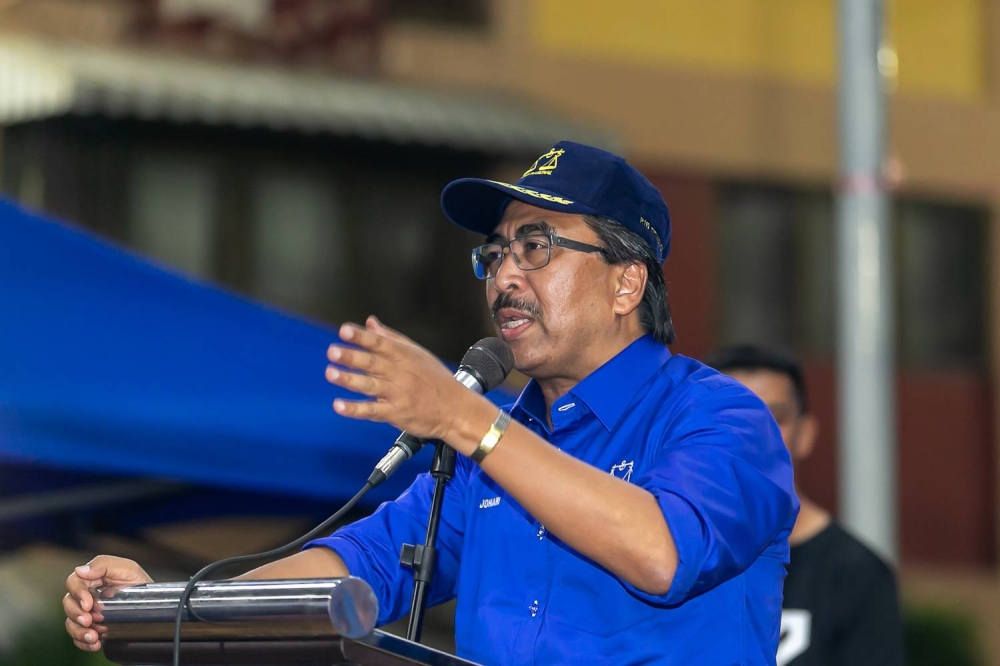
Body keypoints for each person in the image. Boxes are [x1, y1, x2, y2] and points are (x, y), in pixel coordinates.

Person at [65, 141, 798, 665]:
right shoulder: (487, 450)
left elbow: (661, 551)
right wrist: (167, 605)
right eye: (495, 253)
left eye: (536, 246)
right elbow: (359, 564)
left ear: (625, 283)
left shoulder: (721, 419)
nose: (505, 275)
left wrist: (461, 416)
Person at [704, 344, 904, 666]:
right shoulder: (663, 552)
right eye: (736, 416)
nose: (756, 433)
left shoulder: (857, 573)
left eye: (776, 417)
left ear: (806, 434)